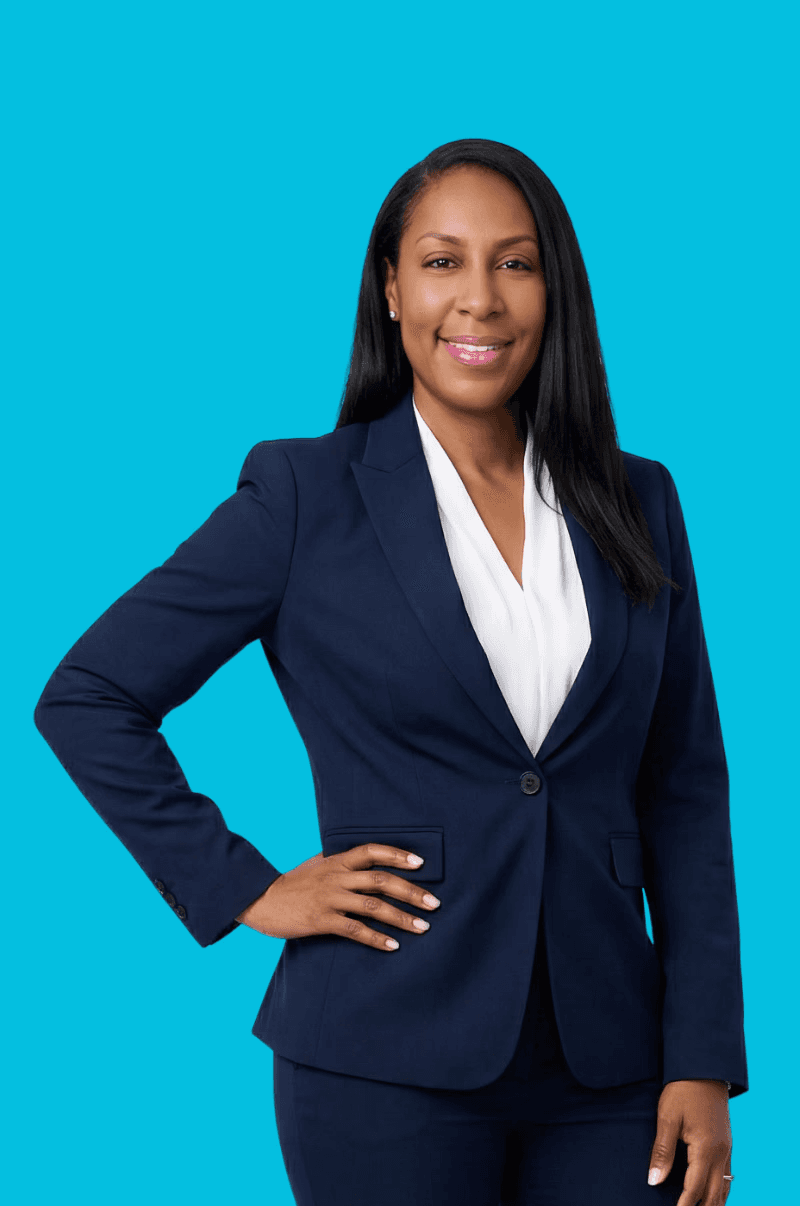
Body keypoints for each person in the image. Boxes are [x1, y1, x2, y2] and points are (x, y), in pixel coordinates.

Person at [33, 138, 746, 1205]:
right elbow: (87, 696)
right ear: (390, 288)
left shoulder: (636, 501)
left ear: (554, 289)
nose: (479, 301)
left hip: (611, 1061)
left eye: (514, 263)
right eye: (442, 262)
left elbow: (682, 788)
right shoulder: (302, 497)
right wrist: (246, 887)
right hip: (379, 1057)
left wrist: (701, 1053)